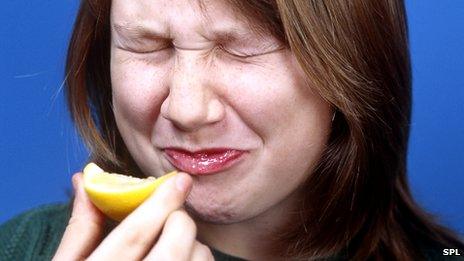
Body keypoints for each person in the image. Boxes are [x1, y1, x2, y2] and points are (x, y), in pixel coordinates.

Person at [0, 0, 463, 260]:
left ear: (351, 61)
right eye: (148, 46)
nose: (186, 109)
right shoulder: (24, 248)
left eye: (242, 48)